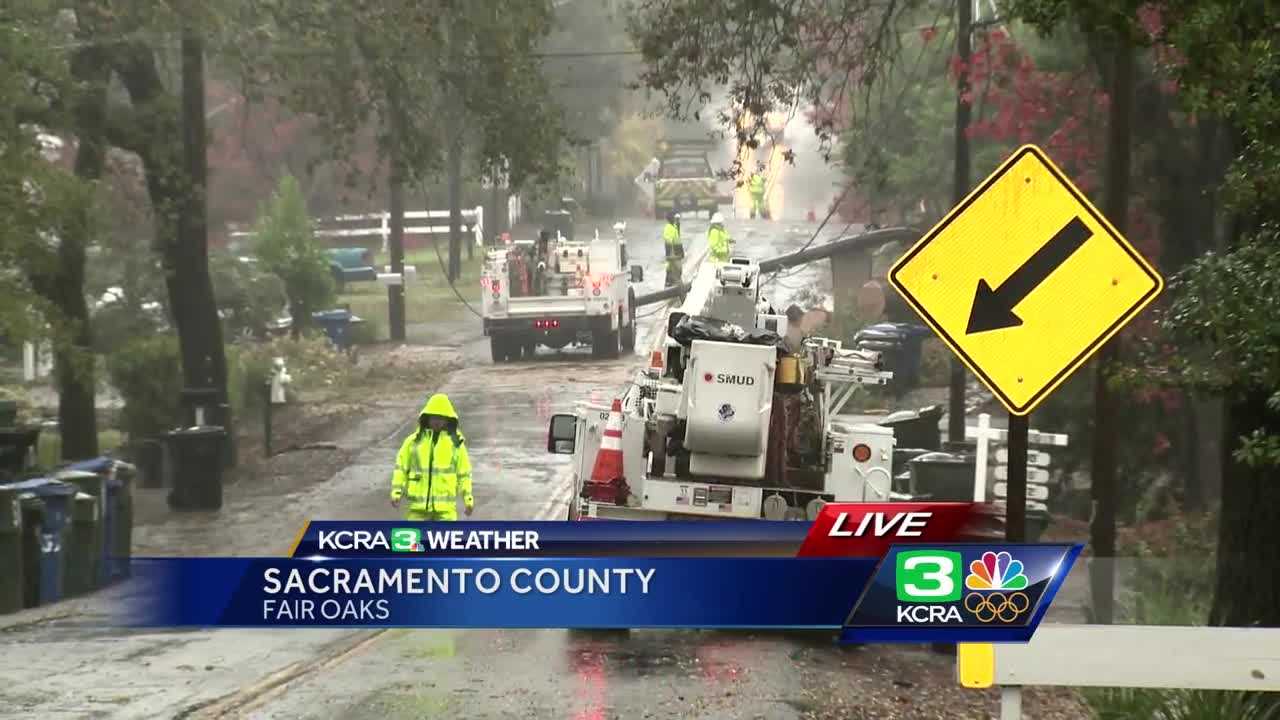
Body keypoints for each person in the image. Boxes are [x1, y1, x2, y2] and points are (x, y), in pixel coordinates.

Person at [390, 393, 473, 521]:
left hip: (446, 512)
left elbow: (464, 474)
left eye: (441, 417)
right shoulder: (413, 442)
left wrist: (468, 499)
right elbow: (401, 468)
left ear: (448, 419)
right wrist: (396, 492)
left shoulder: (456, 444)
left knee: (446, 541)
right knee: (412, 541)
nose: (437, 421)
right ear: (426, 418)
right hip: (417, 511)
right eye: (433, 417)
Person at [662, 211, 683, 288]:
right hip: (673, 254)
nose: (676, 219)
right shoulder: (668, 228)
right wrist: (671, 255)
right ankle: (672, 286)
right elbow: (669, 242)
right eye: (675, 218)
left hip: (676, 254)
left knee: (675, 270)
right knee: (675, 270)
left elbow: (677, 238)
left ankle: (670, 284)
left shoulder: (673, 226)